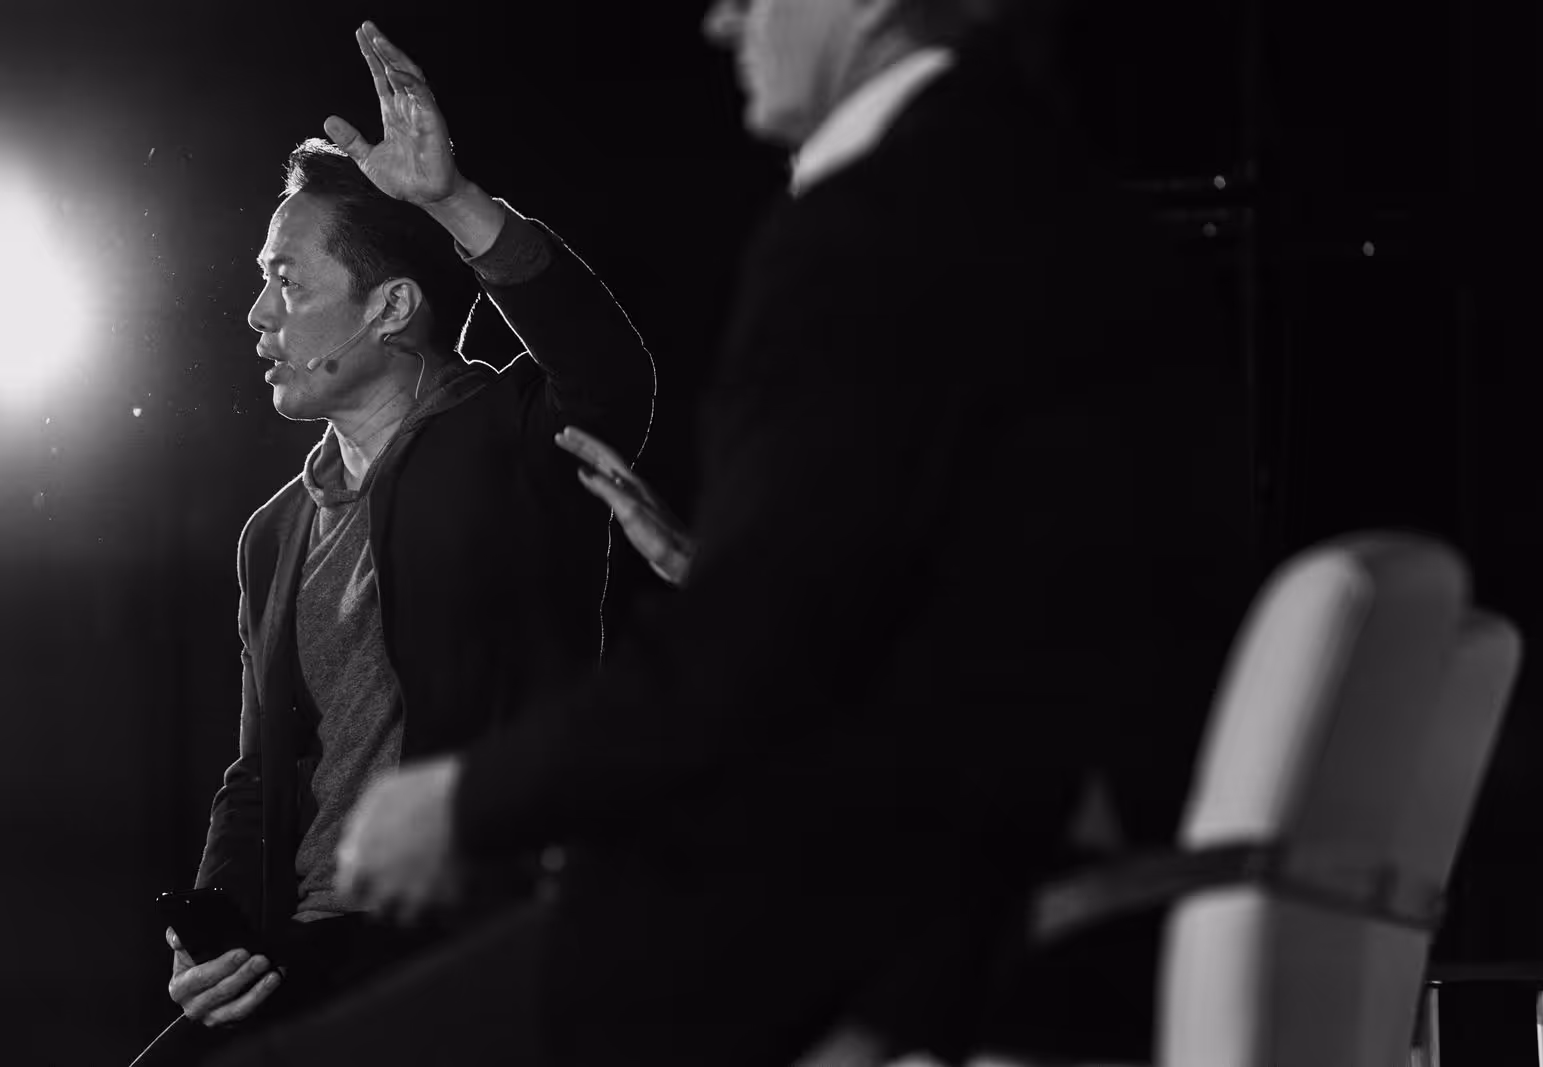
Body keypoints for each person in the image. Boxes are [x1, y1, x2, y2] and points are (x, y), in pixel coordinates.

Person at [211, 1, 1252, 1065]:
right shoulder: (1040, 191)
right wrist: (720, 568)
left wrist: (463, 803)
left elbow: (745, 654)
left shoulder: (871, 223)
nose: (721, 21)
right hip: (999, 858)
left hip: (915, 883)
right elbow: (950, 583)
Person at [128, 20, 655, 1067]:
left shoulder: (510, 437)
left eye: (289, 281)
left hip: (464, 932)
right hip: (305, 949)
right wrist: (213, 934)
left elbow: (609, 373)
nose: (256, 312)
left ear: (393, 307)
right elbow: (259, 770)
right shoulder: (273, 533)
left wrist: (453, 202)